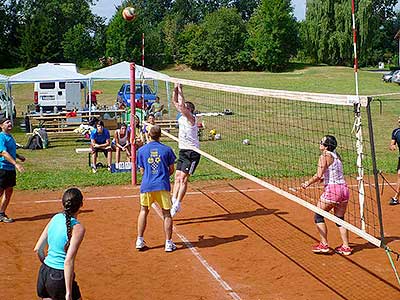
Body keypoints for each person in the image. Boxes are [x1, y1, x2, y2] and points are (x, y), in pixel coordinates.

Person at [301, 135, 352, 256]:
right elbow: (333, 171)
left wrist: (307, 183)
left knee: (318, 215)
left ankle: (324, 244)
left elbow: (318, 175)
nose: (319, 143)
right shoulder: (337, 155)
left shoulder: (324, 156)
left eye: (321, 142)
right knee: (340, 219)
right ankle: (346, 247)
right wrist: (325, 177)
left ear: (326, 146)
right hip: (344, 190)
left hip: (333, 191)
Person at [34, 188, 85, 300]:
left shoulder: (55, 218)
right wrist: (68, 293)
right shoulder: (78, 228)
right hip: (59, 278)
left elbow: (38, 249)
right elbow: (68, 261)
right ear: (81, 204)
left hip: (44, 273)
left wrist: (49, 265)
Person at [136, 125, 177, 252]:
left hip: (147, 185)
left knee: (143, 211)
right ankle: (168, 243)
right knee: (166, 213)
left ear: (149, 135)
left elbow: (142, 171)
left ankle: (139, 240)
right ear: (160, 135)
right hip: (162, 185)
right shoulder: (167, 150)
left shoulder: (141, 151)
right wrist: (162, 175)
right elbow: (171, 170)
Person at [170, 83, 201, 217]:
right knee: (177, 177)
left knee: (183, 178)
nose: (182, 109)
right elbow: (175, 102)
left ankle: (177, 203)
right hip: (183, 150)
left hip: (192, 152)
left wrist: (181, 89)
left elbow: (181, 106)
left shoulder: (191, 119)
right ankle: (174, 200)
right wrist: (175, 89)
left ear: (190, 110)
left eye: (186, 108)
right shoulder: (182, 117)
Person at [0, 115, 25, 223]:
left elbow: (10, 151)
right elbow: (3, 152)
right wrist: (16, 164)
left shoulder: (10, 136)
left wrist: (18, 156)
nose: (9, 124)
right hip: (2, 169)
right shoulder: (1, 137)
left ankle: (1, 214)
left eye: (10, 122)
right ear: (1, 126)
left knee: (9, 191)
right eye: (7, 123)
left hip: (10, 169)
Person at [389, 116, 400, 205]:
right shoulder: (396, 132)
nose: (399, 120)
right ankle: (396, 198)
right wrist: (392, 146)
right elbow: (392, 144)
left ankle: (396, 197)